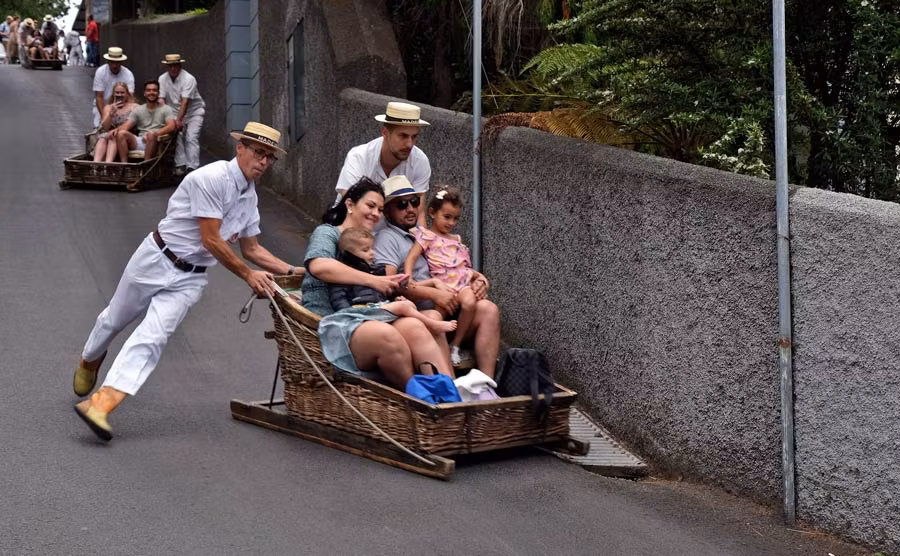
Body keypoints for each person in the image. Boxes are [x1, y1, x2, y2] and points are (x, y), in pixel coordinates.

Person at [72, 122, 298, 441]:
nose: (263, 161)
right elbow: (212, 240)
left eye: (270, 157)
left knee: (153, 337)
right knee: (114, 320)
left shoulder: (250, 198)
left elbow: (253, 249)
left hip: (190, 279)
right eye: (259, 152)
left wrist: (294, 271)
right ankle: (89, 359)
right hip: (156, 257)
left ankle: (101, 404)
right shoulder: (211, 178)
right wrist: (248, 274)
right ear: (240, 149)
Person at [301, 178, 454, 387]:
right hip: (333, 323)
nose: (376, 213)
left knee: (416, 325)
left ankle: (452, 397)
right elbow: (319, 266)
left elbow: (382, 286)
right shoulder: (328, 232)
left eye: (380, 209)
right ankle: (421, 401)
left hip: (368, 314)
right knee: (387, 336)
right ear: (350, 204)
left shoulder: (369, 242)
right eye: (370, 206)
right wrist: (375, 281)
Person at [375, 177, 500, 378]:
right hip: (420, 313)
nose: (410, 209)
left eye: (414, 202)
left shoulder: (423, 234)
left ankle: (486, 386)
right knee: (434, 317)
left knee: (488, 309)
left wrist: (479, 279)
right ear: (388, 210)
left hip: (450, 307)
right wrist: (433, 293)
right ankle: (451, 392)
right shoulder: (388, 238)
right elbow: (389, 285)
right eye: (401, 204)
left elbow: (455, 266)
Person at [403, 187, 490, 366]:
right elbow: (411, 257)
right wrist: (408, 276)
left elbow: (464, 265)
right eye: (447, 217)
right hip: (443, 284)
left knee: (470, 303)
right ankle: (437, 354)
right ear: (433, 213)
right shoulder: (427, 235)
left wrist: (477, 278)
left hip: (462, 280)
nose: (451, 223)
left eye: (455, 218)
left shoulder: (456, 238)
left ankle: (455, 345)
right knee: (438, 315)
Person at [328, 227, 457, 334]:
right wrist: (348, 315)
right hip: (360, 312)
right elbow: (338, 297)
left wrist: (394, 299)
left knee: (408, 305)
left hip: (375, 308)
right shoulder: (345, 273)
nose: (372, 253)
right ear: (350, 254)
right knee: (403, 307)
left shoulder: (375, 270)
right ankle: (433, 325)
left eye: (372, 248)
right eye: (365, 250)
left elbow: (382, 295)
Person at [334, 101, 432, 227]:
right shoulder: (359, 157)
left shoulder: (420, 161)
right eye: (403, 136)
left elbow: (419, 214)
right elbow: (353, 208)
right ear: (385, 133)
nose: (409, 144)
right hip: (348, 232)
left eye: (414, 137)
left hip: (391, 237)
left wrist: (423, 244)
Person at [158, 53, 206, 176]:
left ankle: (192, 167)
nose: (173, 68)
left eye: (175, 65)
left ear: (180, 65)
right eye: (170, 66)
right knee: (176, 136)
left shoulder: (189, 79)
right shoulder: (162, 79)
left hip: (194, 112)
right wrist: (167, 117)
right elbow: (161, 99)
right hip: (173, 112)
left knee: (191, 137)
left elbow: (185, 102)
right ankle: (181, 164)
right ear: (167, 67)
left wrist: (179, 121)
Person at [114, 80, 174, 162]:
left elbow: (171, 126)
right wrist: (115, 131)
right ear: (144, 93)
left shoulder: (166, 109)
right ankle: (124, 166)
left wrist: (155, 134)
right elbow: (126, 126)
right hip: (140, 140)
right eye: (148, 90)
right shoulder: (138, 110)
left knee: (150, 135)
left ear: (158, 93)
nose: (151, 92)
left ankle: (146, 167)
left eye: (154, 90)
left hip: (157, 141)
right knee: (121, 134)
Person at [93, 82, 139, 162]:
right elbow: (105, 127)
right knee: (102, 138)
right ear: (113, 94)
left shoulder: (134, 107)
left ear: (127, 94)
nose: (119, 95)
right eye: (117, 92)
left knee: (112, 137)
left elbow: (130, 125)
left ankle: (108, 164)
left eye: (122, 93)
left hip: (125, 137)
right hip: (109, 135)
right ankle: (96, 164)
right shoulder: (108, 107)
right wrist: (111, 114)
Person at [92, 47, 135, 128]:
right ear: (108, 61)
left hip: (123, 107)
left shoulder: (128, 74)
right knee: (99, 128)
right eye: (112, 62)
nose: (114, 66)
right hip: (103, 106)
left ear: (121, 62)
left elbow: (130, 97)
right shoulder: (100, 72)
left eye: (117, 63)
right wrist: (104, 116)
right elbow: (99, 97)